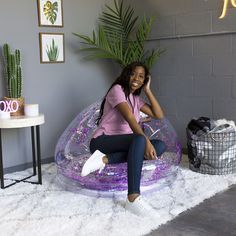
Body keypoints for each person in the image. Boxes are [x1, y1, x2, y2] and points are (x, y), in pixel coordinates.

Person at [81, 62, 166, 216]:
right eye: (133, 74)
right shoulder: (117, 90)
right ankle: (133, 197)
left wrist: (147, 90)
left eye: (141, 76)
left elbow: (159, 114)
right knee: (140, 141)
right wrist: (145, 141)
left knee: (159, 146)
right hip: (102, 141)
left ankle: (105, 160)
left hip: (124, 143)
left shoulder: (136, 99)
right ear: (126, 74)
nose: (136, 79)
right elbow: (129, 118)